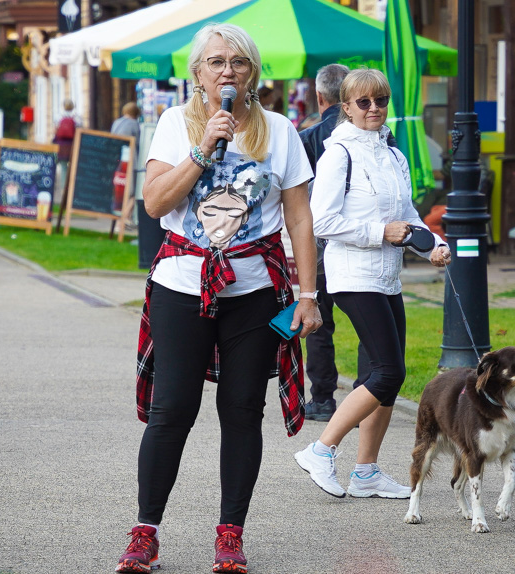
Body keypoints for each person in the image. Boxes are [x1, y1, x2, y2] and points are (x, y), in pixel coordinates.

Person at [116, 23, 320, 574]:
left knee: (241, 412)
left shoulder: (280, 131)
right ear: (197, 73)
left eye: (237, 61)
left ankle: (230, 535)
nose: (226, 70)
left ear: (253, 72)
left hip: (254, 291)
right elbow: (155, 204)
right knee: (172, 410)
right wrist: (204, 147)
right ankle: (146, 532)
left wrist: (308, 294)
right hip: (182, 286)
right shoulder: (173, 124)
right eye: (214, 61)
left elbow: (299, 215)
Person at [295, 68, 451, 500]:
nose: (374, 109)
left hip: (387, 277)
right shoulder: (338, 155)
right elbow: (321, 221)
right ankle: (321, 449)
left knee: (388, 376)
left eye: (380, 101)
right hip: (351, 275)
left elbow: (410, 219)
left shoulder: (393, 156)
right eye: (363, 102)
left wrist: (432, 245)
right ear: (344, 107)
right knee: (388, 371)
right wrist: (380, 232)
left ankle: (366, 472)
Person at [297, 63, 350, 422]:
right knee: (369, 323)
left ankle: (323, 399)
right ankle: (368, 395)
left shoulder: (309, 138)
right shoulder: (377, 136)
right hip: (363, 243)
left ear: (319, 97)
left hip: (318, 245)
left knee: (318, 321)